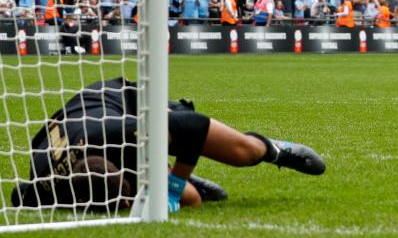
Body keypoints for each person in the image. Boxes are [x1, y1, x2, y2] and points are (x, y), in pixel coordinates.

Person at [11, 77, 324, 213]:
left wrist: (175, 185)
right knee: (191, 198)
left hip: (123, 104)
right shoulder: (46, 190)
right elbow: (17, 194)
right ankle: (168, 171)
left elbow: (194, 126)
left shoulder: (125, 133)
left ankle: (275, 150)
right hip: (85, 128)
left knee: (243, 154)